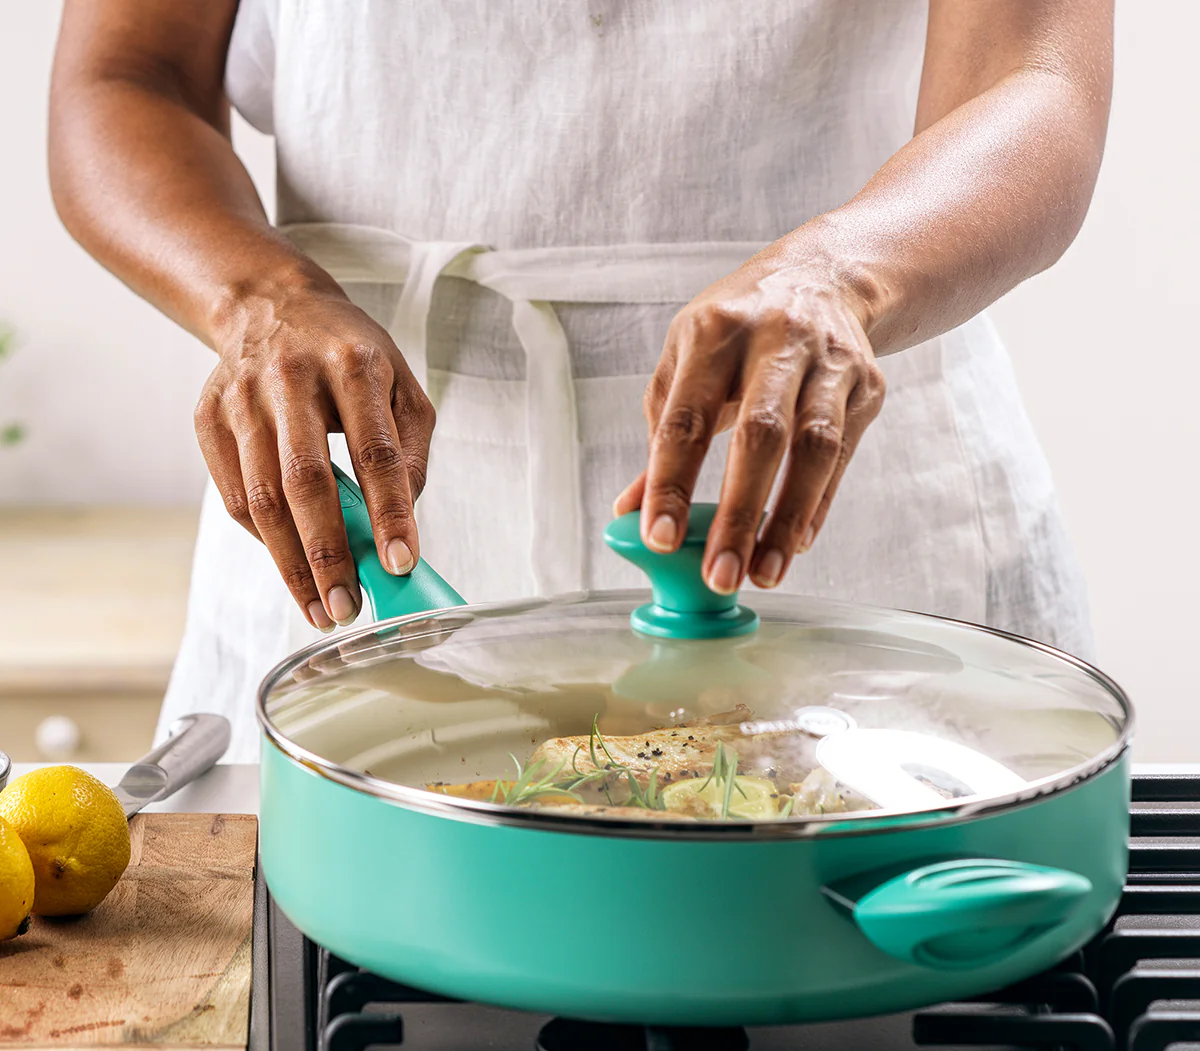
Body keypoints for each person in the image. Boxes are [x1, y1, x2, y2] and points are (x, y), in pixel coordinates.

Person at [49, 1, 1113, 761]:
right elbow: (123, 73)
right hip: (365, 483)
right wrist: (254, 298)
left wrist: (836, 275)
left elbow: (1036, 75)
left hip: (842, 490)